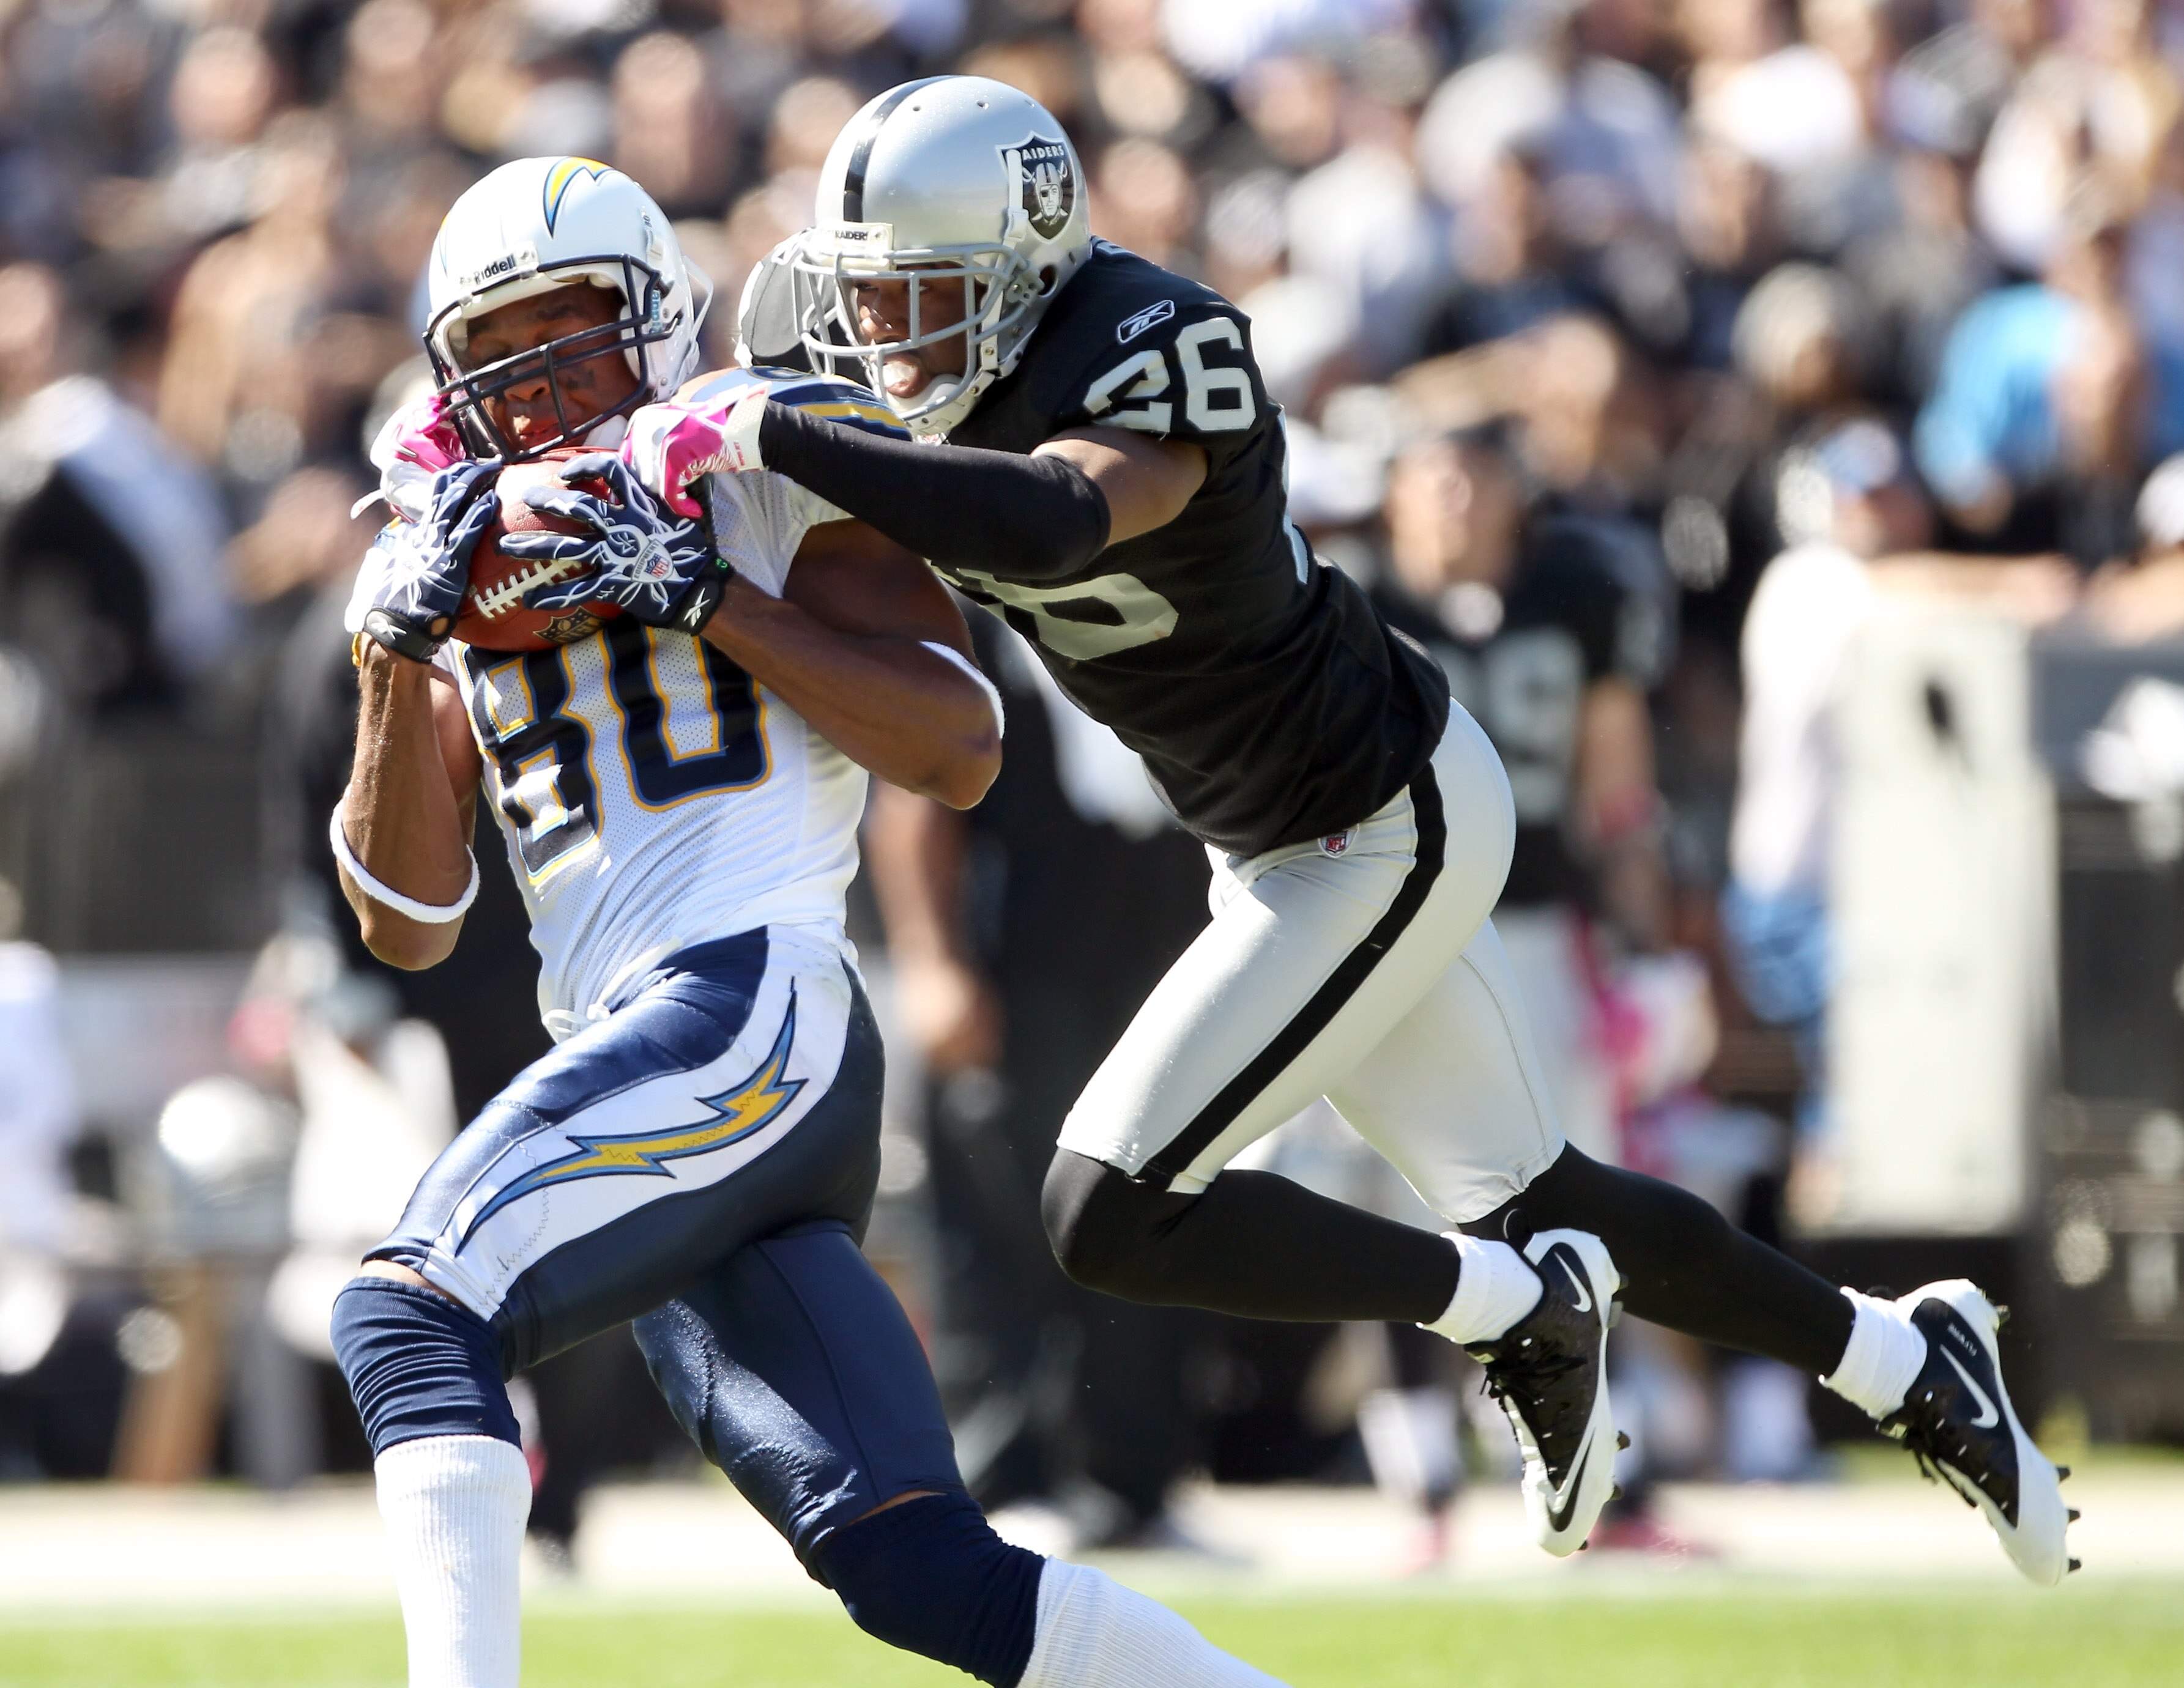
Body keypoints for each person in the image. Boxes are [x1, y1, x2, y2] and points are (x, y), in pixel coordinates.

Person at [604, 76, 2078, 1583]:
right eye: (867, 299)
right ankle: (1907, 1359)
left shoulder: (1153, 340)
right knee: (1543, 1195)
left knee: (1106, 1211)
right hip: (1269, 843)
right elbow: (850, 529)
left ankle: (1507, 1309)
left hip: (1382, 810)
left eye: (922, 296)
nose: (882, 340)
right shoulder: (876, 371)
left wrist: (783, 438)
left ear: (1029, 259)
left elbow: (1049, 520)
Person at [332, 156, 1290, 1688]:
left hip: (747, 1003)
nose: (534, 386)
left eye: (570, 332)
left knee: (408, 1317)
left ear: (653, 322)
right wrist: (391, 654)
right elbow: (408, 928)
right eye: (498, 355)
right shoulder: (456, 559)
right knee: (913, 1565)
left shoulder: (756, 475)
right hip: (665, 1057)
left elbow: (959, 744)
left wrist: (709, 591)